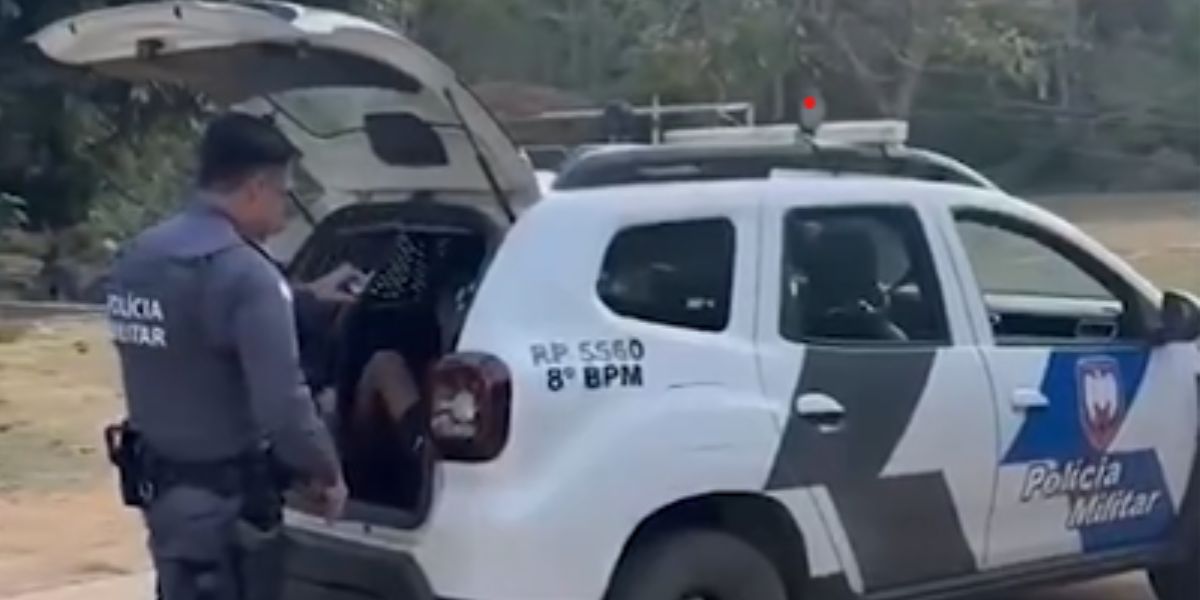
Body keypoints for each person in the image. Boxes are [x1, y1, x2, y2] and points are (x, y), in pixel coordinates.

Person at [103, 112, 354, 600]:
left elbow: (192, 325)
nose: (285, 209)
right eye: (284, 193)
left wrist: (299, 296)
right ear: (257, 187)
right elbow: (283, 405)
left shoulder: (139, 257)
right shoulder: (246, 275)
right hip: (229, 512)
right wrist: (326, 472)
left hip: (166, 499)